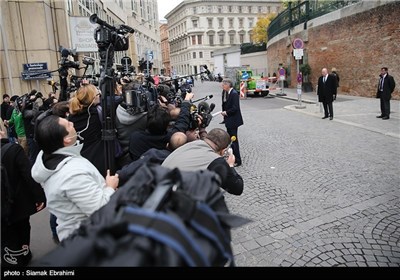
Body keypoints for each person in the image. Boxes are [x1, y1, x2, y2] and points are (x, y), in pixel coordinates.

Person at [31, 113, 119, 241]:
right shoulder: (72, 174)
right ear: (66, 139)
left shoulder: (52, 158)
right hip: (89, 237)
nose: (72, 123)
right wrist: (110, 187)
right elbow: (100, 209)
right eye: (68, 124)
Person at [1, 128, 46, 267]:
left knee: (6, 233)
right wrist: (39, 197)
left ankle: (9, 260)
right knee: (22, 228)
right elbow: (28, 174)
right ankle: (23, 255)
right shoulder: (13, 150)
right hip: (17, 202)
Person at [162, 128, 243, 195]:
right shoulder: (214, 159)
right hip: (172, 204)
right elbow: (237, 188)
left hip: (156, 191)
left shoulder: (189, 144)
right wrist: (230, 165)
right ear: (223, 151)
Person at [220, 78, 243, 167]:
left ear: (228, 84)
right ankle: (231, 156)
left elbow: (235, 108)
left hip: (233, 121)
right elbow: (224, 104)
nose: (222, 86)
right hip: (228, 120)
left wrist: (226, 112)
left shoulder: (234, 94)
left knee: (234, 140)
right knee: (230, 140)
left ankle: (238, 160)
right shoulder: (225, 93)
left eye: (223, 84)